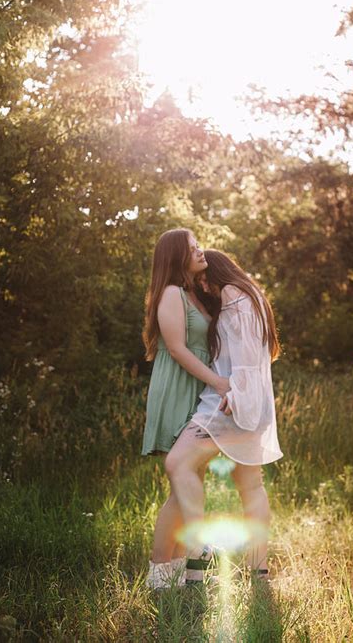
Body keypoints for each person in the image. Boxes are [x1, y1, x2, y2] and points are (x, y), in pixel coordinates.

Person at [165, 249, 283, 580]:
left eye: (205, 277)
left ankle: (198, 551)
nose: (203, 285)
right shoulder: (253, 295)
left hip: (230, 403)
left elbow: (245, 356)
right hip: (253, 403)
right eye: (199, 280)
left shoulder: (233, 292)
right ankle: (258, 571)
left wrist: (235, 394)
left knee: (177, 463)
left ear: (221, 271)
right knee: (251, 486)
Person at [142, 230, 230, 589]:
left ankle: (172, 569)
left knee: (188, 479)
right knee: (184, 477)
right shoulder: (171, 294)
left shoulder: (196, 293)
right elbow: (177, 348)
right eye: (191, 246)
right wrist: (219, 382)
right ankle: (162, 570)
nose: (199, 248)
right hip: (179, 387)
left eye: (198, 243)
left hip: (200, 388)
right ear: (176, 256)